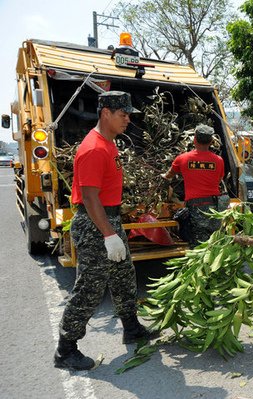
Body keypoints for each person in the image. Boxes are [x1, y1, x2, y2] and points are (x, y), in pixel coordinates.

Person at [55, 91, 158, 371]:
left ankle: (132, 328)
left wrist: (114, 228)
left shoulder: (109, 144)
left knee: (124, 277)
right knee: (90, 288)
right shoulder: (94, 148)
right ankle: (65, 349)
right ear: (106, 113)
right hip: (94, 224)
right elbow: (89, 198)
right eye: (122, 114)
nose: (127, 119)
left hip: (108, 220)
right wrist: (108, 234)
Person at [161, 124, 224, 247]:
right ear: (211, 141)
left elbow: (169, 175)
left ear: (194, 139)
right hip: (214, 208)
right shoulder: (219, 161)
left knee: (197, 245)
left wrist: (164, 177)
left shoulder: (182, 159)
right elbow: (219, 179)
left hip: (195, 207)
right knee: (214, 242)